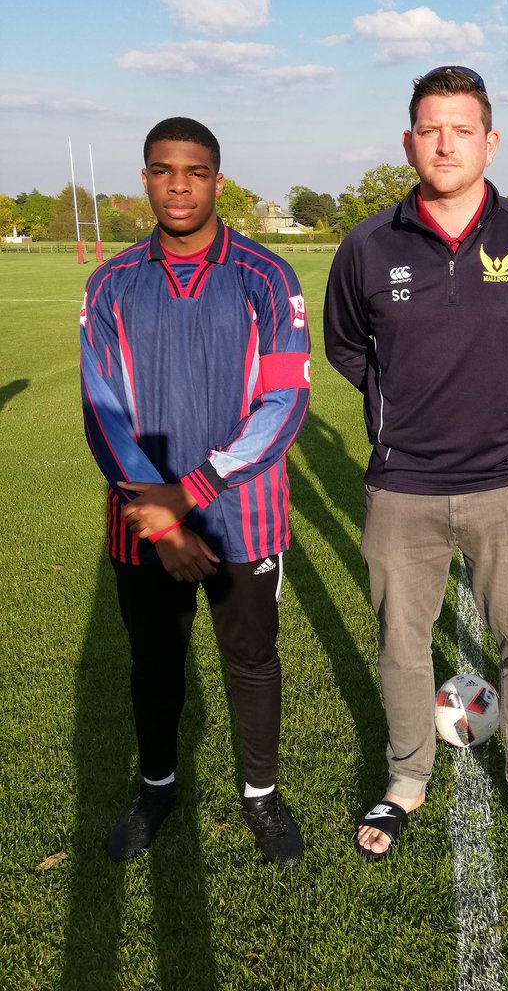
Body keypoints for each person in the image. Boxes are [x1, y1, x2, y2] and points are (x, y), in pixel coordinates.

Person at [323, 66, 508, 873]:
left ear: (490, 140)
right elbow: (344, 344)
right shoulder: (368, 243)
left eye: (462, 128)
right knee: (402, 645)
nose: (445, 143)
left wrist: (504, 407)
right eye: (430, 128)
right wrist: (394, 407)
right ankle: (407, 779)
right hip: (401, 487)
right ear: (409, 140)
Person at [80, 117, 310, 867]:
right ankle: (156, 789)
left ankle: (262, 798)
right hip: (147, 522)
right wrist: (162, 516)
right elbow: (102, 408)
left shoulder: (267, 276)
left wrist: (195, 491)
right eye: (163, 170)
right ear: (144, 179)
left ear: (218, 178)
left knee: (252, 659)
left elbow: (284, 406)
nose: (179, 185)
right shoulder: (111, 282)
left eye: (196, 171)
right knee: (154, 662)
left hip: (245, 516)